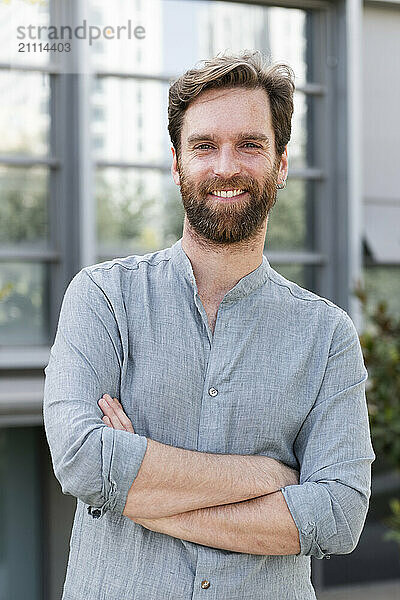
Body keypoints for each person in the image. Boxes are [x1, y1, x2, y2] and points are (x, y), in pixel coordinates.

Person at [43, 51, 375, 600]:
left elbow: (338, 515)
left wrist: (138, 490)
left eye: (249, 145)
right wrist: (267, 478)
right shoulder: (103, 298)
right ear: (177, 162)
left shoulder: (327, 336)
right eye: (204, 146)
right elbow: (81, 460)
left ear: (282, 163)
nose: (225, 167)